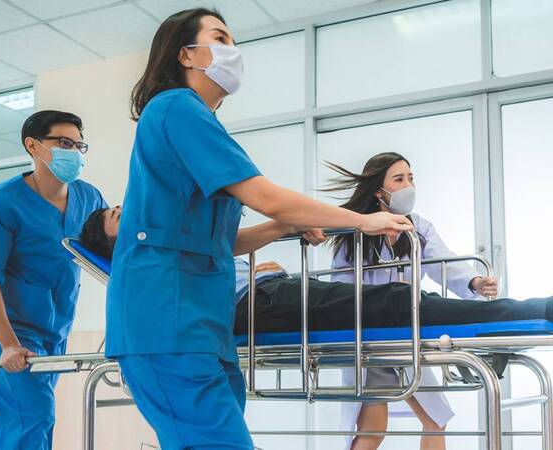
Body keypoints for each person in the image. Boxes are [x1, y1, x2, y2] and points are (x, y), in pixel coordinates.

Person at [106, 8, 413, 450]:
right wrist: (362, 220)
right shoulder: (176, 107)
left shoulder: (196, 120)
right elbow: (263, 194)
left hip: (199, 324)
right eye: (220, 38)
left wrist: (279, 227)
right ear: (187, 54)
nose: (233, 51)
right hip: (166, 321)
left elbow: (218, 242)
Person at [82, 207, 552, 337]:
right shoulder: (141, 263)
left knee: (391, 303)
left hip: (271, 291)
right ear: (114, 245)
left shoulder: (165, 241)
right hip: (255, 307)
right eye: (118, 217)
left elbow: (228, 244)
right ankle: (534, 310)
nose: (132, 213)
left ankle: (504, 320)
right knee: (394, 302)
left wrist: (280, 230)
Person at [327, 152, 499, 450]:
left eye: (410, 178)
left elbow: (443, 263)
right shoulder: (355, 231)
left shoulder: (417, 227)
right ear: (378, 190)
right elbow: (340, 292)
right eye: (398, 179)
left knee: (435, 419)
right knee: (373, 428)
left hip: (406, 337)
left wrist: (475, 282)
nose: (408, 185)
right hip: (369, 339)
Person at [0, 110, 107, 450]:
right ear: (33, 146)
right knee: (35, 414)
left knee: (15, 414)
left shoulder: (89, 198)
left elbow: (110, 253)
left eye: (78, 145)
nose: (72, 151)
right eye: (62, 142)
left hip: (56, 326)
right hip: (12, 326)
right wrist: (7, 342)